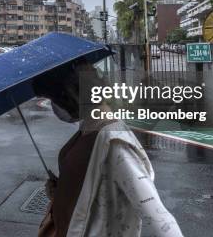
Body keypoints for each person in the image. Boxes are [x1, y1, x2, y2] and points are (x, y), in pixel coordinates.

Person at [32, 59, 183, 237]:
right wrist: (60, 191)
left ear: (72, 93)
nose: (55, 106)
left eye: (55, 98)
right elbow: (90, 191)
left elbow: (159, 217)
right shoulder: (88, 128)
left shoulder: (114, 141)